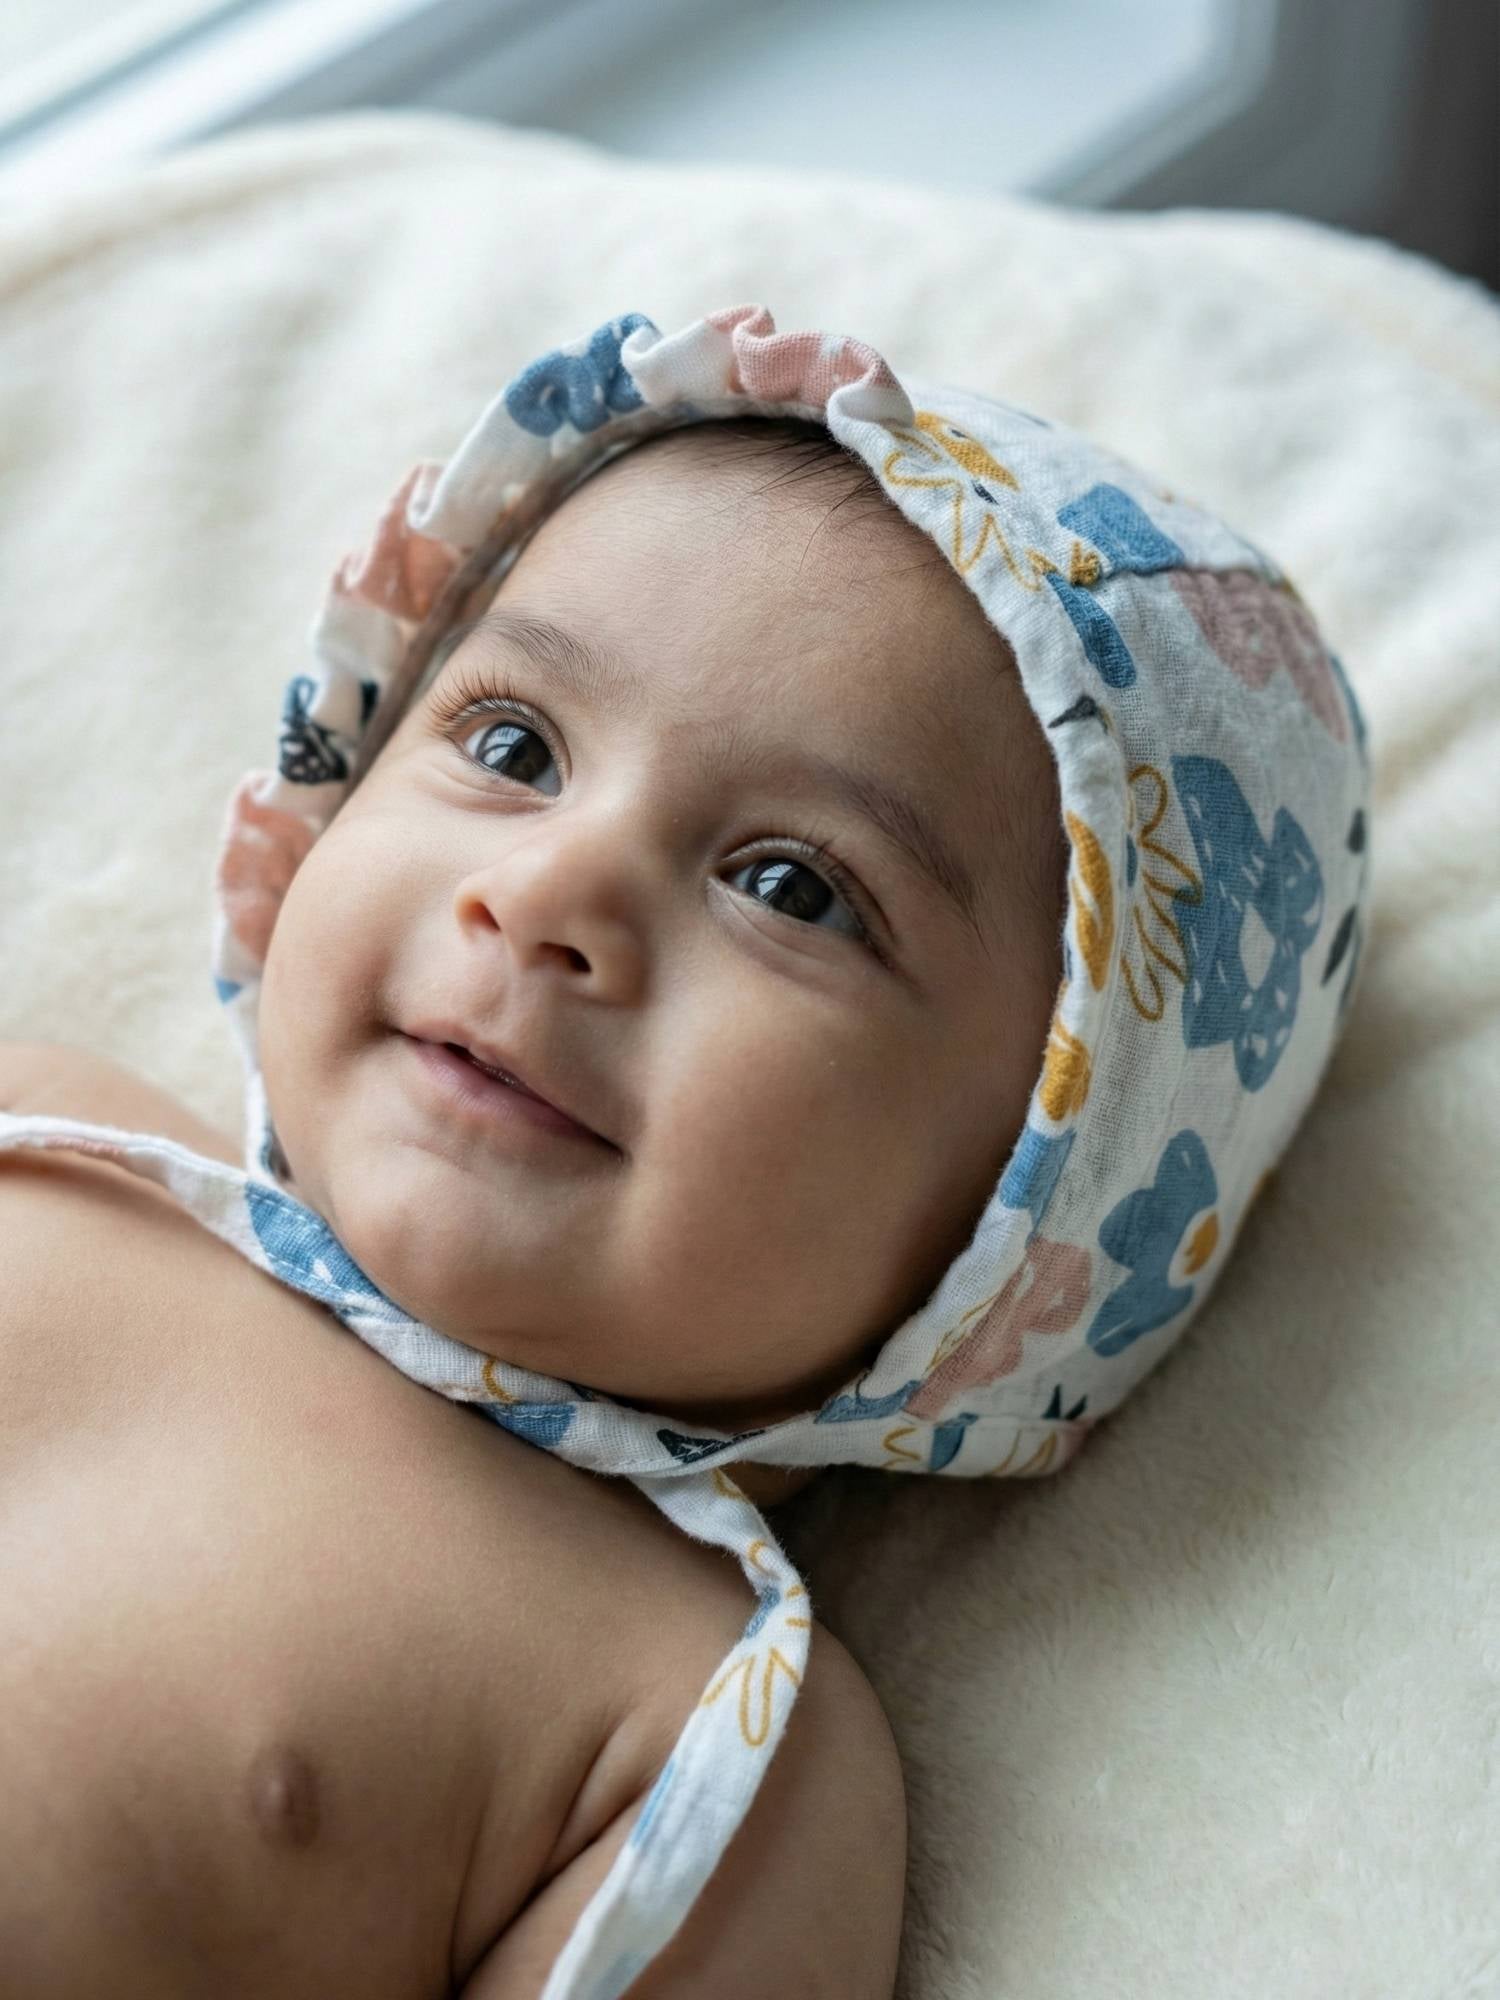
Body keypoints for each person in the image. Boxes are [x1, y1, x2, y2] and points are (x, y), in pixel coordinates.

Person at [0, 303, 1371, 1997]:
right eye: (513, 747)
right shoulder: (54, 1138)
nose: (552, 894)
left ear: (1022, 1234)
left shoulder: (702, 1729)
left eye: (791, 887)